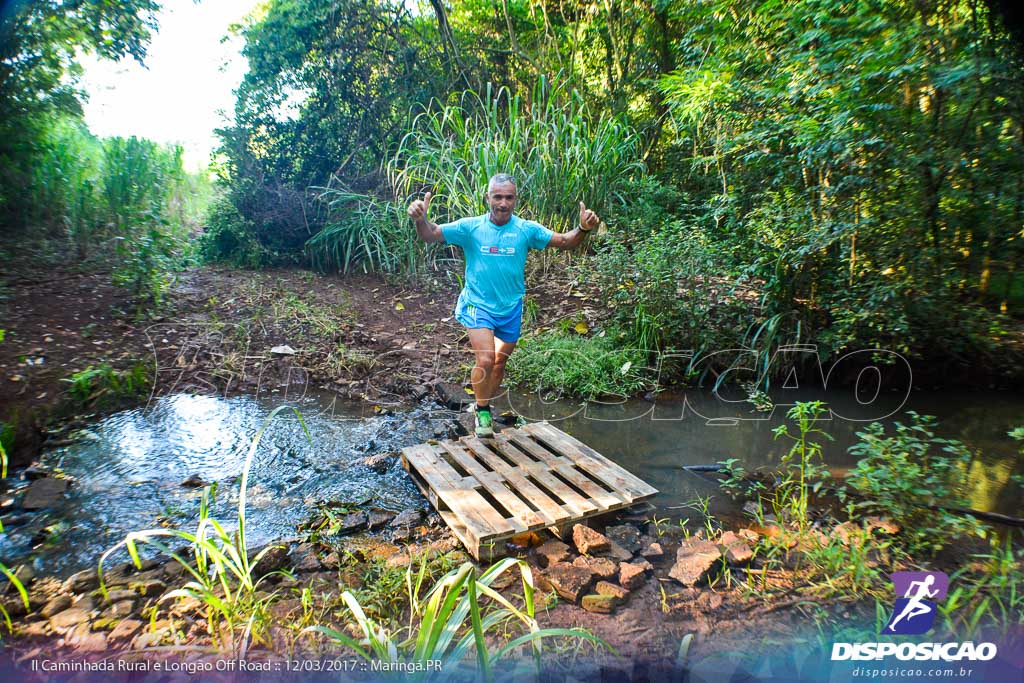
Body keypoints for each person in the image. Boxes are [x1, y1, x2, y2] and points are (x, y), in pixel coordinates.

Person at [407, 173, 599, 436]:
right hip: (477, 304)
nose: (503, 203)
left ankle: (480, 402)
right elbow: (431, 234)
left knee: (499, 363)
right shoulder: (471, 227)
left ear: (515, 199)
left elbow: (565, 241)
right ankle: (483, 414)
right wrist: (421, 219)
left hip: (510, 308)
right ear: (488, 198)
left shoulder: (525, 230)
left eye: (509, 197)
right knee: (485, 358)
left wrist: (584, 228)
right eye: (498, 196)